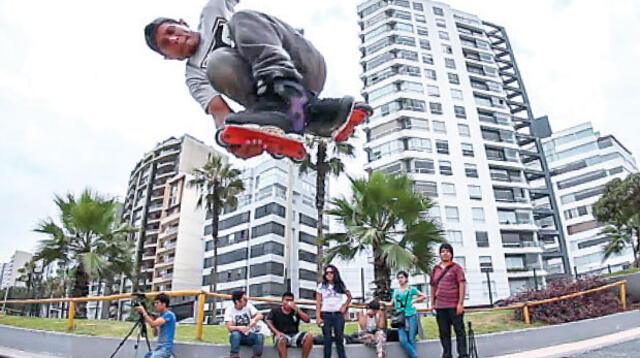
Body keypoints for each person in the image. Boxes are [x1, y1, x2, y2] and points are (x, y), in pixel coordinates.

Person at [144, 0, 364, 159]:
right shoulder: (194, 77)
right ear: (168, 57)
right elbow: (220, 114)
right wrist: (231, 140)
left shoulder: (213, 10)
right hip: (278, 109)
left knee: (242, 18)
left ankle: (286, 92)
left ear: (183, 22)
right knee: (217, 62)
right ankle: (299, 113)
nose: (174, 38)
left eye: (173, 30)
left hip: (302, 65)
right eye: (166, 43)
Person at [430, 244, 468, 358]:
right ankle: (447, 355)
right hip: (440, 306)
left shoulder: (456, 268)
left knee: (459, 332)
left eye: (447, 251)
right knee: (444, 333)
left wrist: (460, 304)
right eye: (442, 251)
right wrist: (432, 303)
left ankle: (463, 355)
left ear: (451, 254)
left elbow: (462, 284)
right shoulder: (435, 269)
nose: (445, 253)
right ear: (439, 254)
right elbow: (433, 286)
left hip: (454, 306)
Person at [316, 264, 352, 358]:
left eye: (331, 272)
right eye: (327, 273)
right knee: (327, 339)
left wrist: (345, 305)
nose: (329, 274)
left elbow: (349, 296)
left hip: (338, 315)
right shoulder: (321, 286)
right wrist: (318, 317)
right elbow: (318, 303)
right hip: (326, 314)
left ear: (335, 273)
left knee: (339, 338)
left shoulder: (340, 285)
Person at [265, 292, 314, 358]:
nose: (289, 302)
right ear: (282, 301)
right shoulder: (275, 311)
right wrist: (277, 332)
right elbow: (268, 321)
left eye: (291, 300)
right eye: (287, 300)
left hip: (294, 335)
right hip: (281, 335)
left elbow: (307, 320)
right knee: (282, 339)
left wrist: (297, 309)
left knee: (309, 336)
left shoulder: (295, 311)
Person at [392, 271, 427, 358]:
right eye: (399, 278)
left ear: (406, 279)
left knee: (411, 339)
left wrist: (414, 300)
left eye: (402, 277)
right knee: (403, 340)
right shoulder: (395, 291)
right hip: (400, 317)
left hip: (411, 315)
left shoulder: (411, 289)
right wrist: (382, 303)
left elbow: (424, 295)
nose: (400, 279)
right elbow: (391, 303)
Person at [134, 293, 177, 358]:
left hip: (165, 349)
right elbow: (155, 333)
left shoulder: (169, 315)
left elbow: (153, 324)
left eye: (157, 303)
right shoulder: (161, 316)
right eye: (154, 303)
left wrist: (144, 312)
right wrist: (151, 318)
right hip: (159, 348)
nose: (155, 305)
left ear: (164, 304)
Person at [225, 290, 265, 358]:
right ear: (237, 302)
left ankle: (257, 356)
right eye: (244, 300)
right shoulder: (229, 310)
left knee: (259, 337)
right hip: (238, 336)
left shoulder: (248, 306)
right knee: (235, 335)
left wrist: (254, 320)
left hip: (249, 334)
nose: (246, 301)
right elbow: (229, 327)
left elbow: (260, 315)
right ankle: (234, 355)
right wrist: (239, 328)